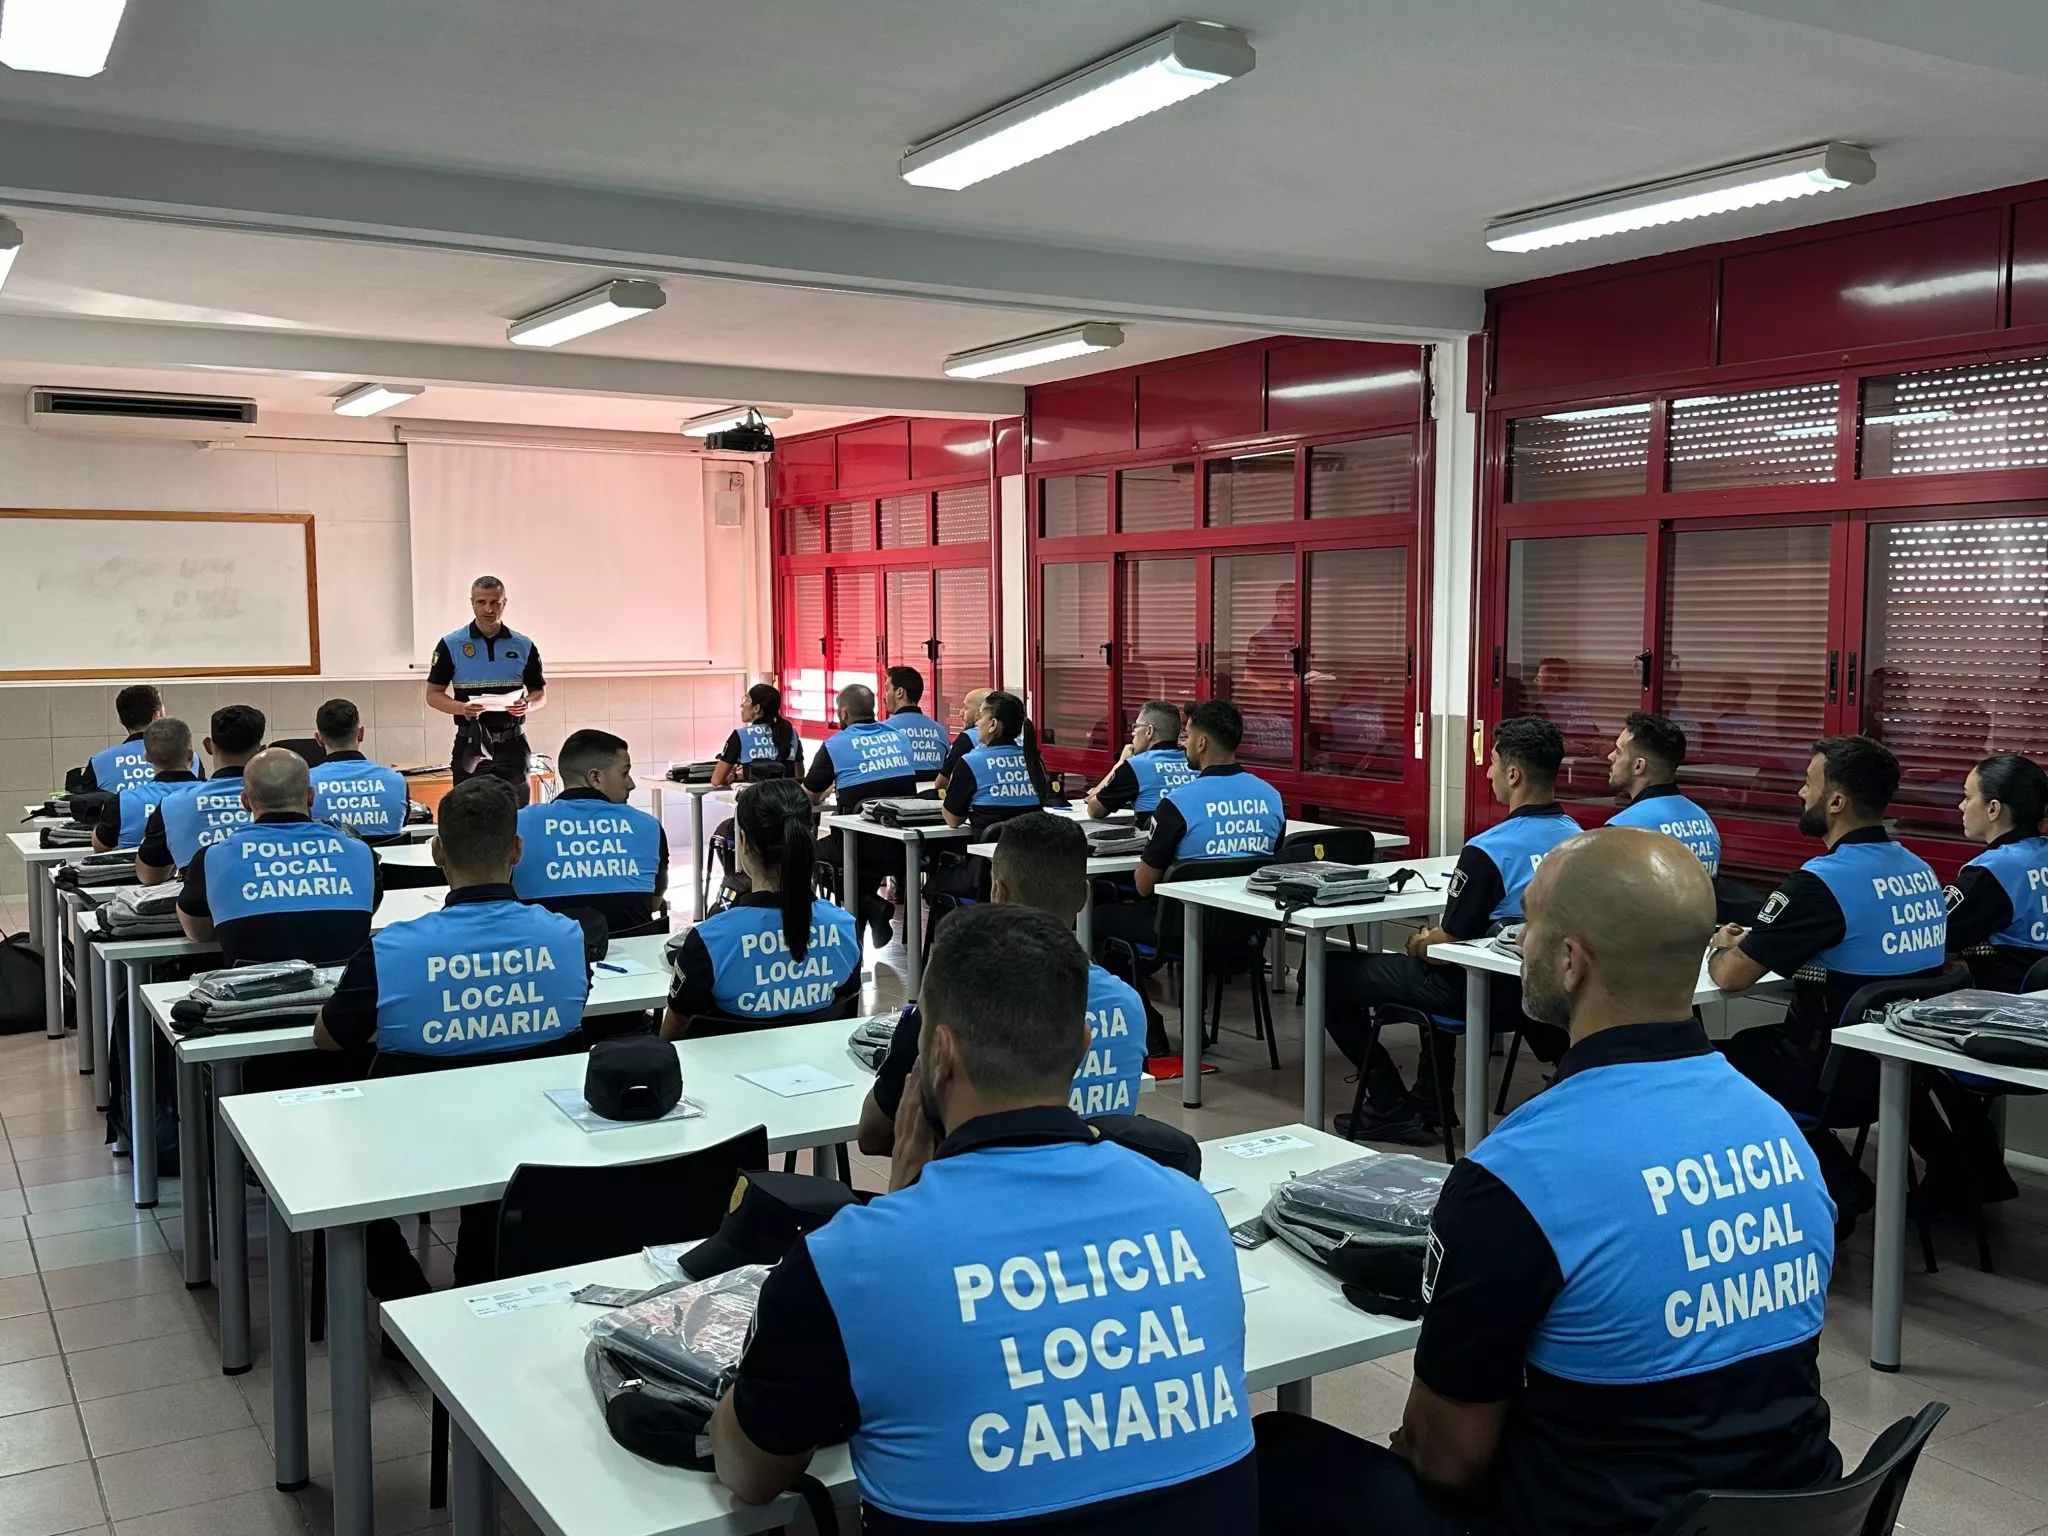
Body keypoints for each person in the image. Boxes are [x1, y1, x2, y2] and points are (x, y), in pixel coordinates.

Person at [1256, 828, 1837, 1536]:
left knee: (1278, 1455)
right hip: (1793, 1511)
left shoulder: (1519, 1175)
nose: (1519, 938)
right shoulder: (1783, 1134)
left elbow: (1447, 1457)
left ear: (1571, 962)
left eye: (1528, 921)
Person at [710, 904, 1256, 1532]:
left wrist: (898, 1207)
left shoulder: (850, 1262)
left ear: (937, 1056)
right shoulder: (1193, 1212)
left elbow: (749, 1473)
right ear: (1082, 1047)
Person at [315, 777, 602, 1293]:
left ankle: (405, 1299)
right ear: (517, 849)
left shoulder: (393, 949)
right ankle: (484, 1271)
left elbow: (330, 1040)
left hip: (414, 1143)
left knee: (332, 1170)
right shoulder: (567, 937)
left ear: (437, 850)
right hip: (539, 1134)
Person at [1709, 736, 1947, 1208]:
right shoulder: (1920, 870)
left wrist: (1722, 947)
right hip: (1906, 1070)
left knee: (1713, 1064)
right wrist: (1758, 941)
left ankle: (1837, 1185)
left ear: (1836, 801)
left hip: (1831, 1074)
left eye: (1808, 782)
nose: (1800, 793)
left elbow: (1731, 978)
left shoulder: (1821, 883)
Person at [1325, 717, 1581, 1146]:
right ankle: (1431, 1099)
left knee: (1328, 974)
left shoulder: (1488, 849)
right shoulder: (1577, 840)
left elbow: (1448, 944)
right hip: (1541, 993)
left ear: (1514, 774)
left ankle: (1389, 1104)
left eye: (1493, 764)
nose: (1488, 773)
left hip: (1478, 993)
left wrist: (1418, 942)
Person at [860, 811, 1149, 1154]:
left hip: (984, 1200)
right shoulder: (1128, 1005)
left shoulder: (957, 1004)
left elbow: (873, 1135)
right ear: (1084, 896)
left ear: (998, 891)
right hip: (1098, 1194)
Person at [662, 778, 858, 1037]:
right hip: (821, 1070)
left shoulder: (711, 939)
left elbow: (673, 1032)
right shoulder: (844, 927)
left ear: (741, 841)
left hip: (724, 1074)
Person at [177, 748, 378, 966]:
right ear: (311, 797)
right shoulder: (362, 853)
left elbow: (198, 933)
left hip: (250, 997)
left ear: (245, 802)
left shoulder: (210, 859)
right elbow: (365, 912)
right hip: (345, 994)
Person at [511, 728, 669, 935]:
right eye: (624, 773)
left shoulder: (517, 824)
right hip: (635, 958)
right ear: (595, 778)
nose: (630, 784)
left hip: (548, 960)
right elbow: (654, 903)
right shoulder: (649, 826)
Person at [804, 683, 918, 945]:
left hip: (859, 845)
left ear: (844, 714)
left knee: (810, 856)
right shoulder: (899, 738)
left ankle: (871, 907)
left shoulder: (836, 745)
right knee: (859, 873)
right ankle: (869, 912)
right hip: (902, 847)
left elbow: (809, 796)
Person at [425, 574, 547, 806]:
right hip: (471, 743)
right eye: (481, 602)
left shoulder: (523, 645)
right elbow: (433, 695)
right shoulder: (451, 644)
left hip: (512, 745)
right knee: (468, 813)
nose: (488, 609)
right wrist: (462, 708)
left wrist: (528, 704)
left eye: (494, 602)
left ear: (504, 603)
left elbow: (539, 693)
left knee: (517, 814)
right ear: (472, 602)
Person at [1947, 752, 2048, 992]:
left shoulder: (1991, 873)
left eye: (1967, 796)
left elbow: (1935, 940)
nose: (1961, 806)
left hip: (2007, 1010)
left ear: (1993, 809)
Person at [136, 703, 267, 883]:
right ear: (262, 750)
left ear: (208, 746)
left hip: (199, 906)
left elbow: (149, 876)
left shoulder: (172, 804)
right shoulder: (285, 800)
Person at [1605, 711, 1722, 874]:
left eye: (1618, 751)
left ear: (1638, 766)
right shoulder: (1704, 822)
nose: (1610, 756)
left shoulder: (1623, 828)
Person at [939, 690, 1058, 836]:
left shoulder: (971, 762)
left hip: (990, 856)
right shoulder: (1034, 759)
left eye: (981, 716)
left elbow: (953, 819)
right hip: (1033, 853)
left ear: (993, 724)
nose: (977, 722)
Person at [305, 698, 410, 840]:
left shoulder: (305, 782)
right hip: (387, 861)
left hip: (335, 861)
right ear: (361, 734)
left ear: (319, 739)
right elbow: (402, 823)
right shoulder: (396, 780)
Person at [93, 717, 202, 852]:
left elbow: (100, 847)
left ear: (147, 757)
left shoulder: (122, 802)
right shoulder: (214, 796)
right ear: (190, 755)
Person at [1086, 700, 1196, 821]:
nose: (1133, 733)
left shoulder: (1136, 766)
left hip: (1156, 838)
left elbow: (1094, 809)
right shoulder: (1196, 763)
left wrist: (1121, 763)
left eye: (1137, 726)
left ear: (1149, 731)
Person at [79, 684, 201, 791]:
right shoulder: (187, 756)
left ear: (121, 720)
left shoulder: (99, 762)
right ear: (157, 716)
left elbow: (87, 806)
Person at [711, 683, 804, 788]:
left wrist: (734, 776)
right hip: (787, 801)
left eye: (746, 700)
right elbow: (799, 776)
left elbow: (717, 780)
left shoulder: (740, 735)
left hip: (755, 801)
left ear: (756, 708)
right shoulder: (791, 733)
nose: (742, 705)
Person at [879, 665, 952, 775]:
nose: (883, 696)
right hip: (933, 791)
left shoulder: (882, 731)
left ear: (899, 692)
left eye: (887, 689)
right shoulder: (940, 732)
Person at [932, 685, 990, 797]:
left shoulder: (968, 738)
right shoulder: (1019, 740)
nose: (961, 713)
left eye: (966, 708)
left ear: (980, 713)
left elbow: (941, 783)